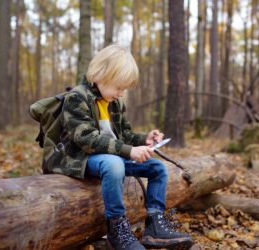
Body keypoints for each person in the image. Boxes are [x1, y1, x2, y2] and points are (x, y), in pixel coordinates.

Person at [50, 44, 193, 250]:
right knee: (115, 164)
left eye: (124, 88)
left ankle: (155, 226)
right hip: (79, 158)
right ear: (100, 75)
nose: (121, 93)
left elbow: (124, 134)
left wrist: (145, 139)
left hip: (111, 157)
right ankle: (116, 228)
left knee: (158, 168)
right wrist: (128, 151)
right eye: (119, 87)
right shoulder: (77, 98)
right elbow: (86, 139)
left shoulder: (114, 102)